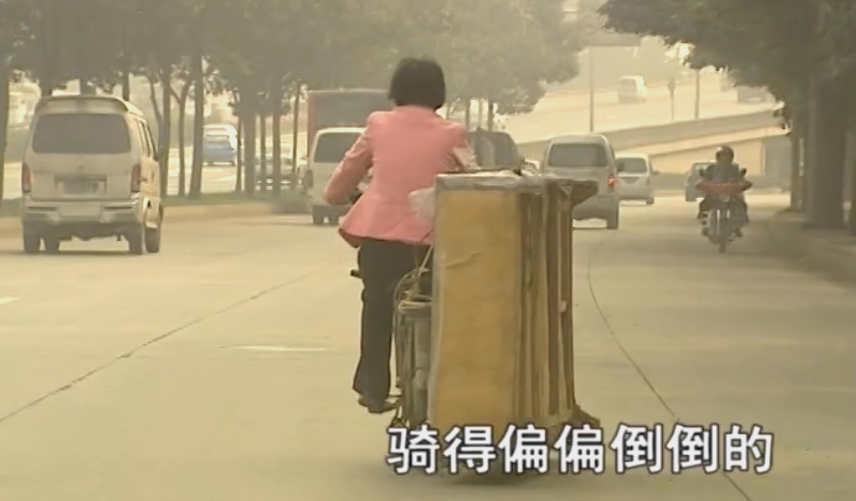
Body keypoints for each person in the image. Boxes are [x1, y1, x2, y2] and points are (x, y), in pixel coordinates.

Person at [323, 57, 473, 415]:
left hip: (380, 241)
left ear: (397, 89)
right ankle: (444, 383)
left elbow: (349, 170)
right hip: (432, 245)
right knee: (440, 309)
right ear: (438, 92)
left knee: (377, 303)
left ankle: (373, 386)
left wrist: (335, 195)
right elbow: (472, 178)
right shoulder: (453, 133)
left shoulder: (378, 124)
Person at [697, 145, 750, 236]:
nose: (724, 158)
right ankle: (705, 224)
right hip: (715, 192)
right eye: (722, 156)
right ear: (717, 157)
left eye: (727, 156)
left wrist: (740, 182)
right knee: (704, 204)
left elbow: (740, 177)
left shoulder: (734, 168)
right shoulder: (711, 168)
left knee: (741, 204)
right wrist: (705, 180)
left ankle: (737, 226)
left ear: (731, 157)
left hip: (730, 193)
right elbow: (706, 177)